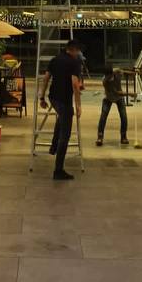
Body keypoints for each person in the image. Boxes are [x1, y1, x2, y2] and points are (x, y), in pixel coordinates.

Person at [39, 38, 83, 181]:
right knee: (66, 135)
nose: (78, 54)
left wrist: (42, 97)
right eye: (77, 52)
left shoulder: (55, 59)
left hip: (53, 98)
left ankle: (53, 146)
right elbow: (75, 85)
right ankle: (58, 170)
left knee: (62, 116)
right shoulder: (74, 62)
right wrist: (78, 105)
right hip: (64, 100)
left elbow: (45, 78)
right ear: (74, 50)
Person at [96, 64, 128, 146]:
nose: (107, 78)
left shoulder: (117, 74)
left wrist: (121, 70)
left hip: (119, 98)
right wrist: (130, 94)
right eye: (106, 76)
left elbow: (123, 72)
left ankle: (123, 137)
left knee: (123, 116)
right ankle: (100, 137)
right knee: (103, 116)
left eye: (108, 76)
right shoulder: (105, 81)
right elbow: (116, 92)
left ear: (111, 73)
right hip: (109, 98)